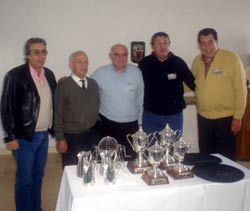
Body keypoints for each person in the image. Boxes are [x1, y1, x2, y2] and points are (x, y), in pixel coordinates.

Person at [0, 38, 57, 211]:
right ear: (27, 54)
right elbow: (6, 107)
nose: (41, 56)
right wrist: (10, 136)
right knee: (24, 180)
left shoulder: (49, 74)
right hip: (24, 137)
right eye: (36, 52)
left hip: (43, 136)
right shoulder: (15, 75)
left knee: (38, 177)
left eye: (44, 52)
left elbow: (53, 99)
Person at [192, 28, 247, 160]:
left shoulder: (231, 59)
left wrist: (238, 117)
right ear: (199, 45)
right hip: (203, 117)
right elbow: (190, 83)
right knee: (206, 155)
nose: (207, 47)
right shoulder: (197, 61)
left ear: (217, 41)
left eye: (210, 42)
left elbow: (241, 89)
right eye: (203, 43)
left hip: (226, 118)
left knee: (226, 158)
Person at [91, 44, 144, 160]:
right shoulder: (100, 73)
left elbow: (141, 98)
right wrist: (69, 80)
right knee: (107, 159)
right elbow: (86, 89)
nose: (121, 58)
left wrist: (140, 122)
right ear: (110, 56)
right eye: (117, 55)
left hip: (131, 125)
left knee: (129, 158)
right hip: (108, 124)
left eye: (124, 55)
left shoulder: (136, 72)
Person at [138, 32, 195, 134]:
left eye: (165, 42)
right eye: (158, 43)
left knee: (174, 148)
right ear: (152, 46)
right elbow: (137, 87)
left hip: (174, 116)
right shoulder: (144, 63)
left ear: (169, 44)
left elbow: (193, 84)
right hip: (151, 116)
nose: (162, 46)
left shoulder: (178, 62)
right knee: (151, 148)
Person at [54, 51, 100, 167]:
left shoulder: (93, 84)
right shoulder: (63, 86)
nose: (84, 65)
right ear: (71, 65)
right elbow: (57, 114)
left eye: (86, 62)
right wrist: (60, 139)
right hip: (71, 137)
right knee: (72, 170)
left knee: (91, 167)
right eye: (79, 62)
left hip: (91, 136)